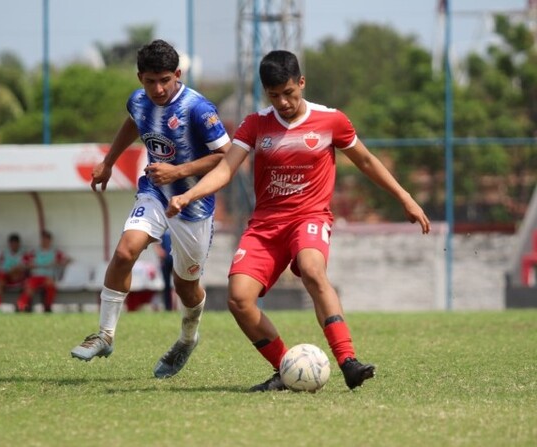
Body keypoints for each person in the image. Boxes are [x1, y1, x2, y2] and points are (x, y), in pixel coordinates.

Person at [166, 50, 431, 391]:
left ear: (301, 83)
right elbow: (226, 169)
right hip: (266, 225)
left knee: (312, 269)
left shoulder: (331, 120)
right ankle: (286, 369)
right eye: (274, 95)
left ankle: (348, 361)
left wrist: (405, 198)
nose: (284, 102)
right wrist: (189, 195)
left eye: (289, 93)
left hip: (310, 217)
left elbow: (365, 161)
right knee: (239, 299)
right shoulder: (256, 124)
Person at [70, 39, 231, 379]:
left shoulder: (198, 109)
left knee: (185, 285)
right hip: (155, 192)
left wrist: (179, 172)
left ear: (177, 74)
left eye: (164, 80)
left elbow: (227, 156)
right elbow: (133, 121)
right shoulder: (139, 100)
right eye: (149, 81)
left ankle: (188, 338)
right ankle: (105, 334)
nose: (157, 89)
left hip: (193, 204)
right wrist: (109, 161)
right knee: (126, 250)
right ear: (139, 77)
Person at [16, 230, 69, 313]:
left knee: (50, 284)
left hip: (48, 276)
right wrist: (29, 266)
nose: (44, 242)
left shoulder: (55, 252)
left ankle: (47, 307)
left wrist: (58, 263)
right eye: (43, 240)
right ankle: (21, 306)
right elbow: (23, 263)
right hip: (36, 275)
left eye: (46, 240)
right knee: (29, 286)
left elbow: (67, 260)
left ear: (50, 241)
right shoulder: (34, 252)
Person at [0, 233, 28, 310]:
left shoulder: (24, 254)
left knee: (17, 270)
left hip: (18, 278)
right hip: (7, 277)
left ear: (18, 244)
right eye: (12, 243)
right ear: (9, 244)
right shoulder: (5, 254)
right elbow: (1, 268)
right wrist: (10, 271)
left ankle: (21, 306)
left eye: (15, 243)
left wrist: (14, 270)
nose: (14, 245)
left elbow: (24, 267)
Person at [153, 231, 174, 311]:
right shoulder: (162, 226)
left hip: (175, 259)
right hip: (165, 260)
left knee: (179, 285)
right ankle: (168, 308)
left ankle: (178, 307)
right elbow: (155, 240)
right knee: (167, 285)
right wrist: (159, 250)